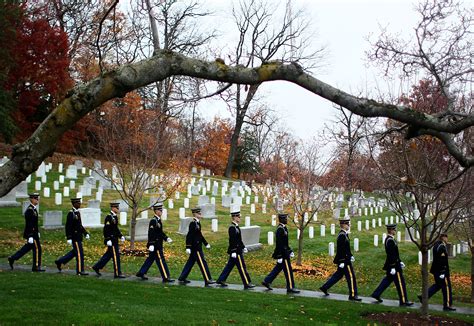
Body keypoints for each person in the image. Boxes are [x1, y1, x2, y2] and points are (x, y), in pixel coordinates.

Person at [371, 224, 413, 306]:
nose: (395, 231)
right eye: (394, 230)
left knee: (387, 281)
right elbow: (391, 254)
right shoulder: (390, 240)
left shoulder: (390, 239)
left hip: (393, 264)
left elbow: (395, 254)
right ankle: (403, 301)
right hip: (394, 266)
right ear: (390, 230)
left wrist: (400, 261)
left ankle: (376, 294)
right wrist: (393, 266)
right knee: (401, 283)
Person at [319, 217, 361, 301]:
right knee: (351, 277)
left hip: (345, 259)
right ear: (343, 225)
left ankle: (324, 287)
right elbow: (340, 249)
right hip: (345, 261)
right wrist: (342, 261)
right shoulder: (342, 235)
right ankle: (353, 295)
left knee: (338, 275)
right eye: (347, 224)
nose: (349, 225)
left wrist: (351, 255)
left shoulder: (344, 234)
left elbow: (346, 248)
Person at [262, 213, 300, 294]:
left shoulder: (284, 228)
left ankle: (267, 281)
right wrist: (279, 256)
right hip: (283, 254)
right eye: (285, 218)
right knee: (288, 271)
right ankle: (290, 287)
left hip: (285, 253)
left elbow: (285, 243)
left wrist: (290, 251)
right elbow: (279, 244)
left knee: (278, 268)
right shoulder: (280, 229)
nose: (287, 220)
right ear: (282, 219)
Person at [136, 203, 174, 282]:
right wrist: (152, 244)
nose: (161, 212)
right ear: (156, 211)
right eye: (160, 210)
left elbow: (160, 232)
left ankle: (141, 272)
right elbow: (151, 233)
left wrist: (166, 238)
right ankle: (166, 277)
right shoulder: (153, 221)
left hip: (158, 244)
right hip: (156, 245)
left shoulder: (158, 220)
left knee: (150, 259)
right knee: (161, 260)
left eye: (161, 210)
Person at [216, 211, 255, 289]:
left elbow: (239, 240)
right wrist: (233, 251)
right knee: (242, 267)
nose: (240, 218)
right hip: (236, 251)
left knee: (229, 266)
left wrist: (243, 247)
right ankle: (247, 283)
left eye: (239, 217)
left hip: (238, 250)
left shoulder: (236, 227)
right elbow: (232, 240)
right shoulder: (232, 228)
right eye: (238, 217)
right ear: (234, 217)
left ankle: (221, 279)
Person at [419, 232, 456, 311]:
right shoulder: (441, 246)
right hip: (442, 271)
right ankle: (447, 305)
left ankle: (423, 297)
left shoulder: (436, 245)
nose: (447, 239)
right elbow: (442, 261)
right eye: (446, 237)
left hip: (436, 271)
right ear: (443, 237)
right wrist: (443, 272)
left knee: (438, 285)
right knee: (446, 288)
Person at [178, 207, 215, 286]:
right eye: (198, 213)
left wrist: (205, 243)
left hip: (197, 246)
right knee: (202, 263)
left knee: (190, 263)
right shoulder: (193, 223)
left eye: (200, 213)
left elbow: (199, 235)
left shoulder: (197, 223)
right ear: (194, 214)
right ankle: (207, 279)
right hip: (195, 248)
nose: (200, 214)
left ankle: (182, 277)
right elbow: (189, 236)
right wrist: (188, 247)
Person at [8, 193, 44, 272]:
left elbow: (35, 223)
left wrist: (37, 232)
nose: (37, 200)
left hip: (34, 233)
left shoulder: (34, 209)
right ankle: (36, 267)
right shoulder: (29, 210)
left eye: (37, 198)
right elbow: (29, 224)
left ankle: (12, 258)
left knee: (26, 248)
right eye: (35, 198)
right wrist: (30, 235)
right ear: (31, 199)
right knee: (37, 249)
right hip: (31, 234)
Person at [55, 198, 90, 275]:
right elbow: (68, 226)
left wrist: (85, 233)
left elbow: (79, 226)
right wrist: (69, 237)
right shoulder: (71, 214)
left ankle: (60, 261)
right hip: (75, 237)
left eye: (79, 203)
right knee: (79, 254)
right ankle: (80, 270)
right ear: (74, 204)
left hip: (79, 236)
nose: (79, 204)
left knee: (74, 252)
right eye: (78, 203)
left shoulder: (77, 213)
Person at [92, 202, 126, 278]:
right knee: (116, 256)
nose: (118, 209)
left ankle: (97, 266)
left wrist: (120, 236)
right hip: (111, 240)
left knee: (108, 255)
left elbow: (115, 228)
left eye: (118, 207)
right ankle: (117, 273)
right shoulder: (109, 217)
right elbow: (106, 229)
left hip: (114, 239)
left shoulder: (114, 216)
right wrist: (108, 239)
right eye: (117, 208)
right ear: (113, 208)